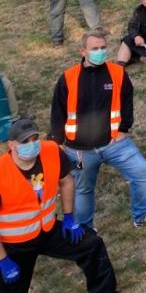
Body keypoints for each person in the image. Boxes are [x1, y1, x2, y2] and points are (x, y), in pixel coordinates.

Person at [49, 29, 146, 229]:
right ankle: (86, 230)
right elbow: (57, 112)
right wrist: (56, 142)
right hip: (80, 150)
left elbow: (127, 100)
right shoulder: (68, 77)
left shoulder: (117, 72)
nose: (100, 52)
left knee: (141, 170)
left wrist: (123, 128)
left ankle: (141, 216)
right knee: (84, 190)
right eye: (95, 49)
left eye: (103, 48)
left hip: (114, 143)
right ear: (83, 51)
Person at [0, 117, 117, 292]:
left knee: (92, 245)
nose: (32, 144)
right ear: (11, 145)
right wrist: (2, 259)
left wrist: (69, 217)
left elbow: (66, 180)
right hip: (14, 244)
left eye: (34, 139)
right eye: (25, 141)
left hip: (48, 230)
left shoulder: (51, 151)